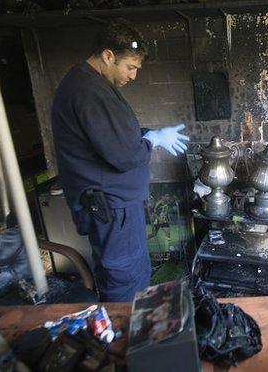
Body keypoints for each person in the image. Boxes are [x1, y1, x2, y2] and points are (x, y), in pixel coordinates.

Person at [51, 19, 189, 302]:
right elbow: (124, 156)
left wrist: (148, 133)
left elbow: (111, 137)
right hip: (112, 208)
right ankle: (125, 336)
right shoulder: (88, 91)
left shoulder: (91, 84)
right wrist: (151, 141)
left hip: (117, 206)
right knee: (124, 278)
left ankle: (137, 331)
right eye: (130, 67)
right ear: (108, 55)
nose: (134, 76)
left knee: (134, 273)